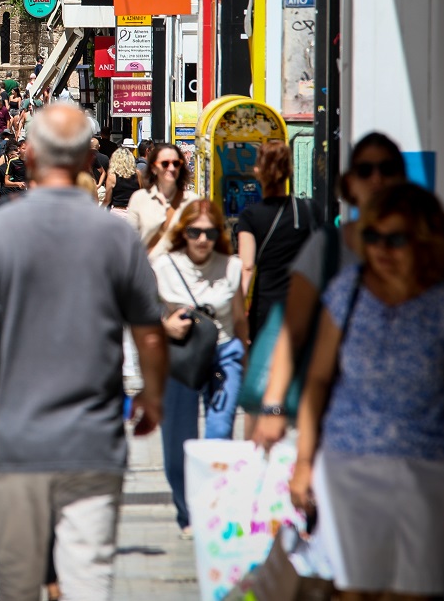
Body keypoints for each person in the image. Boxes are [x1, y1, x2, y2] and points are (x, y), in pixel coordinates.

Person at [0, 104, 167, 600]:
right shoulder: (117, 235)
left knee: (19, 586)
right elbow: (149, 331)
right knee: (88, 582)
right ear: (86, 162)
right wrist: (153, 397)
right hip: (92, 443)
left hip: (14, 441)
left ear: (28, 157)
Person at [290, 183, 444, 599]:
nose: (381, 249)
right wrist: (305, 462)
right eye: (374, 237)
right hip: (350, 466)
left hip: (430, 471)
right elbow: (319, 381)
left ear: (426, 240)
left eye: (395, 239)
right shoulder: (348, 291)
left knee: (415, 592)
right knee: (354, 591)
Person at [251, 133, 408, 450]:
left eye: (387, 168)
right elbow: (294, 333)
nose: (377, 178)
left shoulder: (428, 248)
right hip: (340, 424)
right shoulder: (329, 248)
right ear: (350, 184)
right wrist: (273, 405)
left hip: (416, 434)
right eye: (365, 170)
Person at [152, 199, 246, 536]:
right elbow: (142, 317)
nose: (203, 239)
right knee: (179, 438)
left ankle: (214, 508)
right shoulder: (163, 266)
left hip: (224, 354)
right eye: (195, 232)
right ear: (184, 233)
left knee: (219, 433)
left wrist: (246, 357)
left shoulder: (232, 266)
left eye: (209, 232)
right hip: (181, 354)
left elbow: (238, 318)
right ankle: (187, 512)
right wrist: (165, 327)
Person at [235, 140, 315, 346]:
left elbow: (246, 267)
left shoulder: (250, 217)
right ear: (289, 170)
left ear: (257, 171)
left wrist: (235, 314)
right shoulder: (308, 209)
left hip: (267, 309)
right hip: (303, 307)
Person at [126, 142, 197, 257]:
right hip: (150, 271)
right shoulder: (140, 199)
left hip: (180, 272)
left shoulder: (192, 202)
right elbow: (131, 242)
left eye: (176, 163)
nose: (171, 168)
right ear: (153, 168)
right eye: (165, 164)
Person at [104, 147, 140, 218]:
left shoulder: (112, 177)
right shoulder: (138, 174)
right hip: (134, 211)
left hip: (118, 211)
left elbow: (107, 199)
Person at [0, 140, 27, 205]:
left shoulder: (23, 165)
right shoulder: (1, 169)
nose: (19, 155)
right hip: (5, 198)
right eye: (17, 154)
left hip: (19, 197)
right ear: (10, 155)